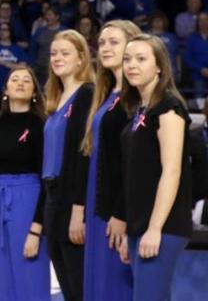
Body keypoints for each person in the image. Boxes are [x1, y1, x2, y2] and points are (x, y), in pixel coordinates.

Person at [119, 34, 193, 300]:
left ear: (159, 66)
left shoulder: (168, 107)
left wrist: (154, 229)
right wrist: (132, 231)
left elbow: (171, 171)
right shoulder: (139, 110)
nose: (132, 65)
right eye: (127, 59)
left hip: (163, 226)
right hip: (141, 225)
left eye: (141, 59)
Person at [0, 65, 50, 301]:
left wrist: (36, 230)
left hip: (27, 200)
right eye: (14, 79)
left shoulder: (41, 126)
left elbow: (45, 178)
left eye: (26, 80)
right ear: (5, 88)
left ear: (35, 91)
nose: (20, 83)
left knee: (30, 276)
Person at [82, 20, 140, 301]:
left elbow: (134, 166)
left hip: (116, 210)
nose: (105, 48)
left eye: (114, 42)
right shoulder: (107, 96)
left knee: (114, 289)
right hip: (98, 205)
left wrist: (122, 213)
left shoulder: (135, 99)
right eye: (102, 42)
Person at [42, 30, 95, 301]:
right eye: (54, 53)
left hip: (71, 199)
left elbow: (82, 156)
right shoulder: (54, 100)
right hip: (53, 198)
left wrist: (78, 211)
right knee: (66, 285)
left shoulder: (87, 95)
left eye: (65, 53)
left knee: (79, 285)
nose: (57, 58)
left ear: (81, 59)